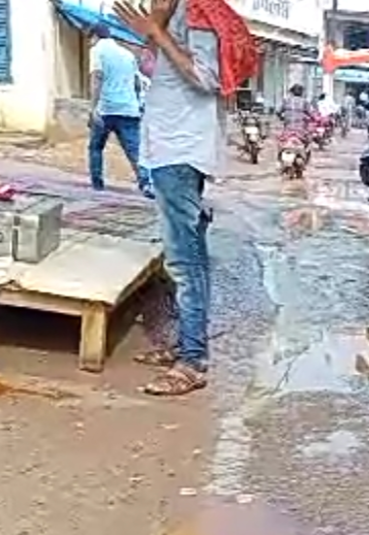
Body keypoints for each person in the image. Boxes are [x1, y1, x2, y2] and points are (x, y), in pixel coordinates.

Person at [114, 0, 254, 396]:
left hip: (182, 149)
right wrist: (156, 26)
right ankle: (185, 347)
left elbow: (207, 78)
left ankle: (192, 361)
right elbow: (150, 69)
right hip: (166, 146)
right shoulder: (174, 17)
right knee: (189, 255)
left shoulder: (200, 15)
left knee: (184, 260)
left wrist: (157, 31)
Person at [87, 23, 152, 196]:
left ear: (94, 36)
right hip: (128, 108)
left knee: (96, 147)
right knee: (135, 150)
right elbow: (137, 82)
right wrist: (137, 103)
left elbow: (97, 77)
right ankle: (146, 183)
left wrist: (93, 107)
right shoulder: (127, 54)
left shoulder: (97, 50)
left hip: (106, 108)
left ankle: (97, 183)